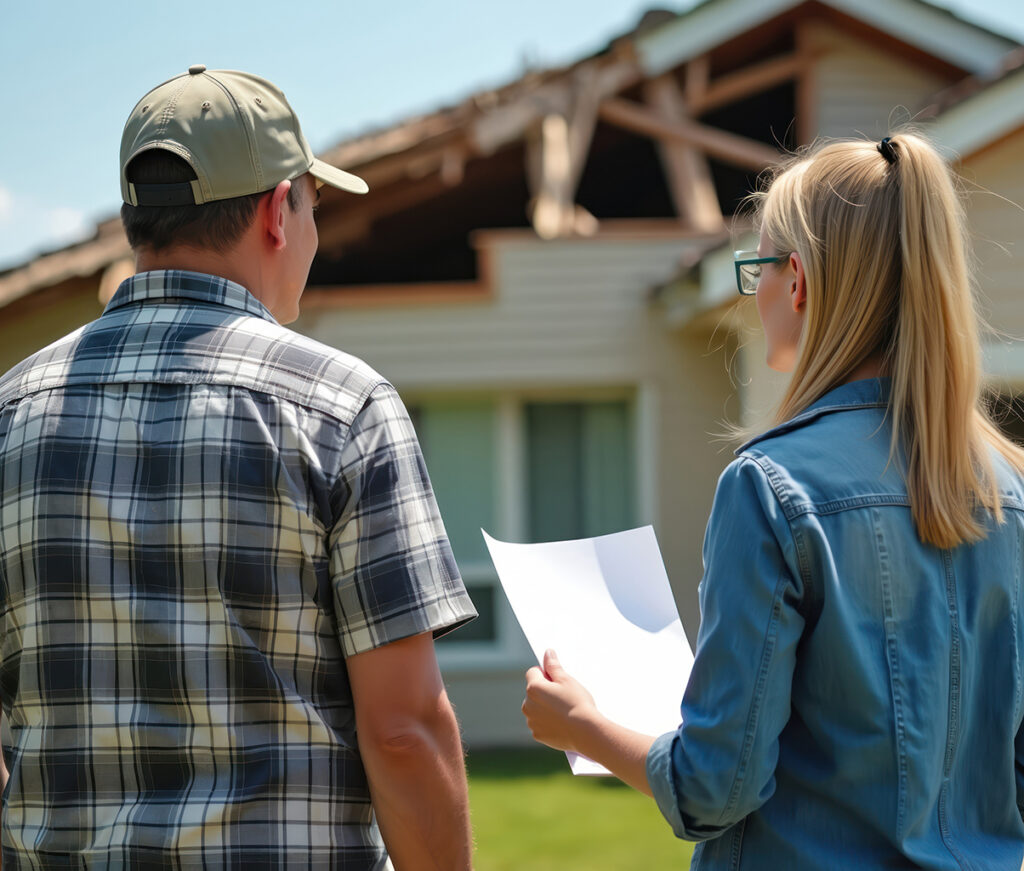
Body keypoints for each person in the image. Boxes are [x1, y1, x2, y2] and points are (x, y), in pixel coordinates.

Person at [0, 66, 477, 869]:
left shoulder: (9, 413)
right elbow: (403, 731)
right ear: (275, 212)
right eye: (313, 207)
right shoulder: (344, 408)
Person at [522, 131, 1024, 869]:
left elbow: (714, 788)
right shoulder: (1009, 492)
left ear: (798, 282)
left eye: (755, 267)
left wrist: (584, 725)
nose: (751, 293)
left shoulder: (770, 486)